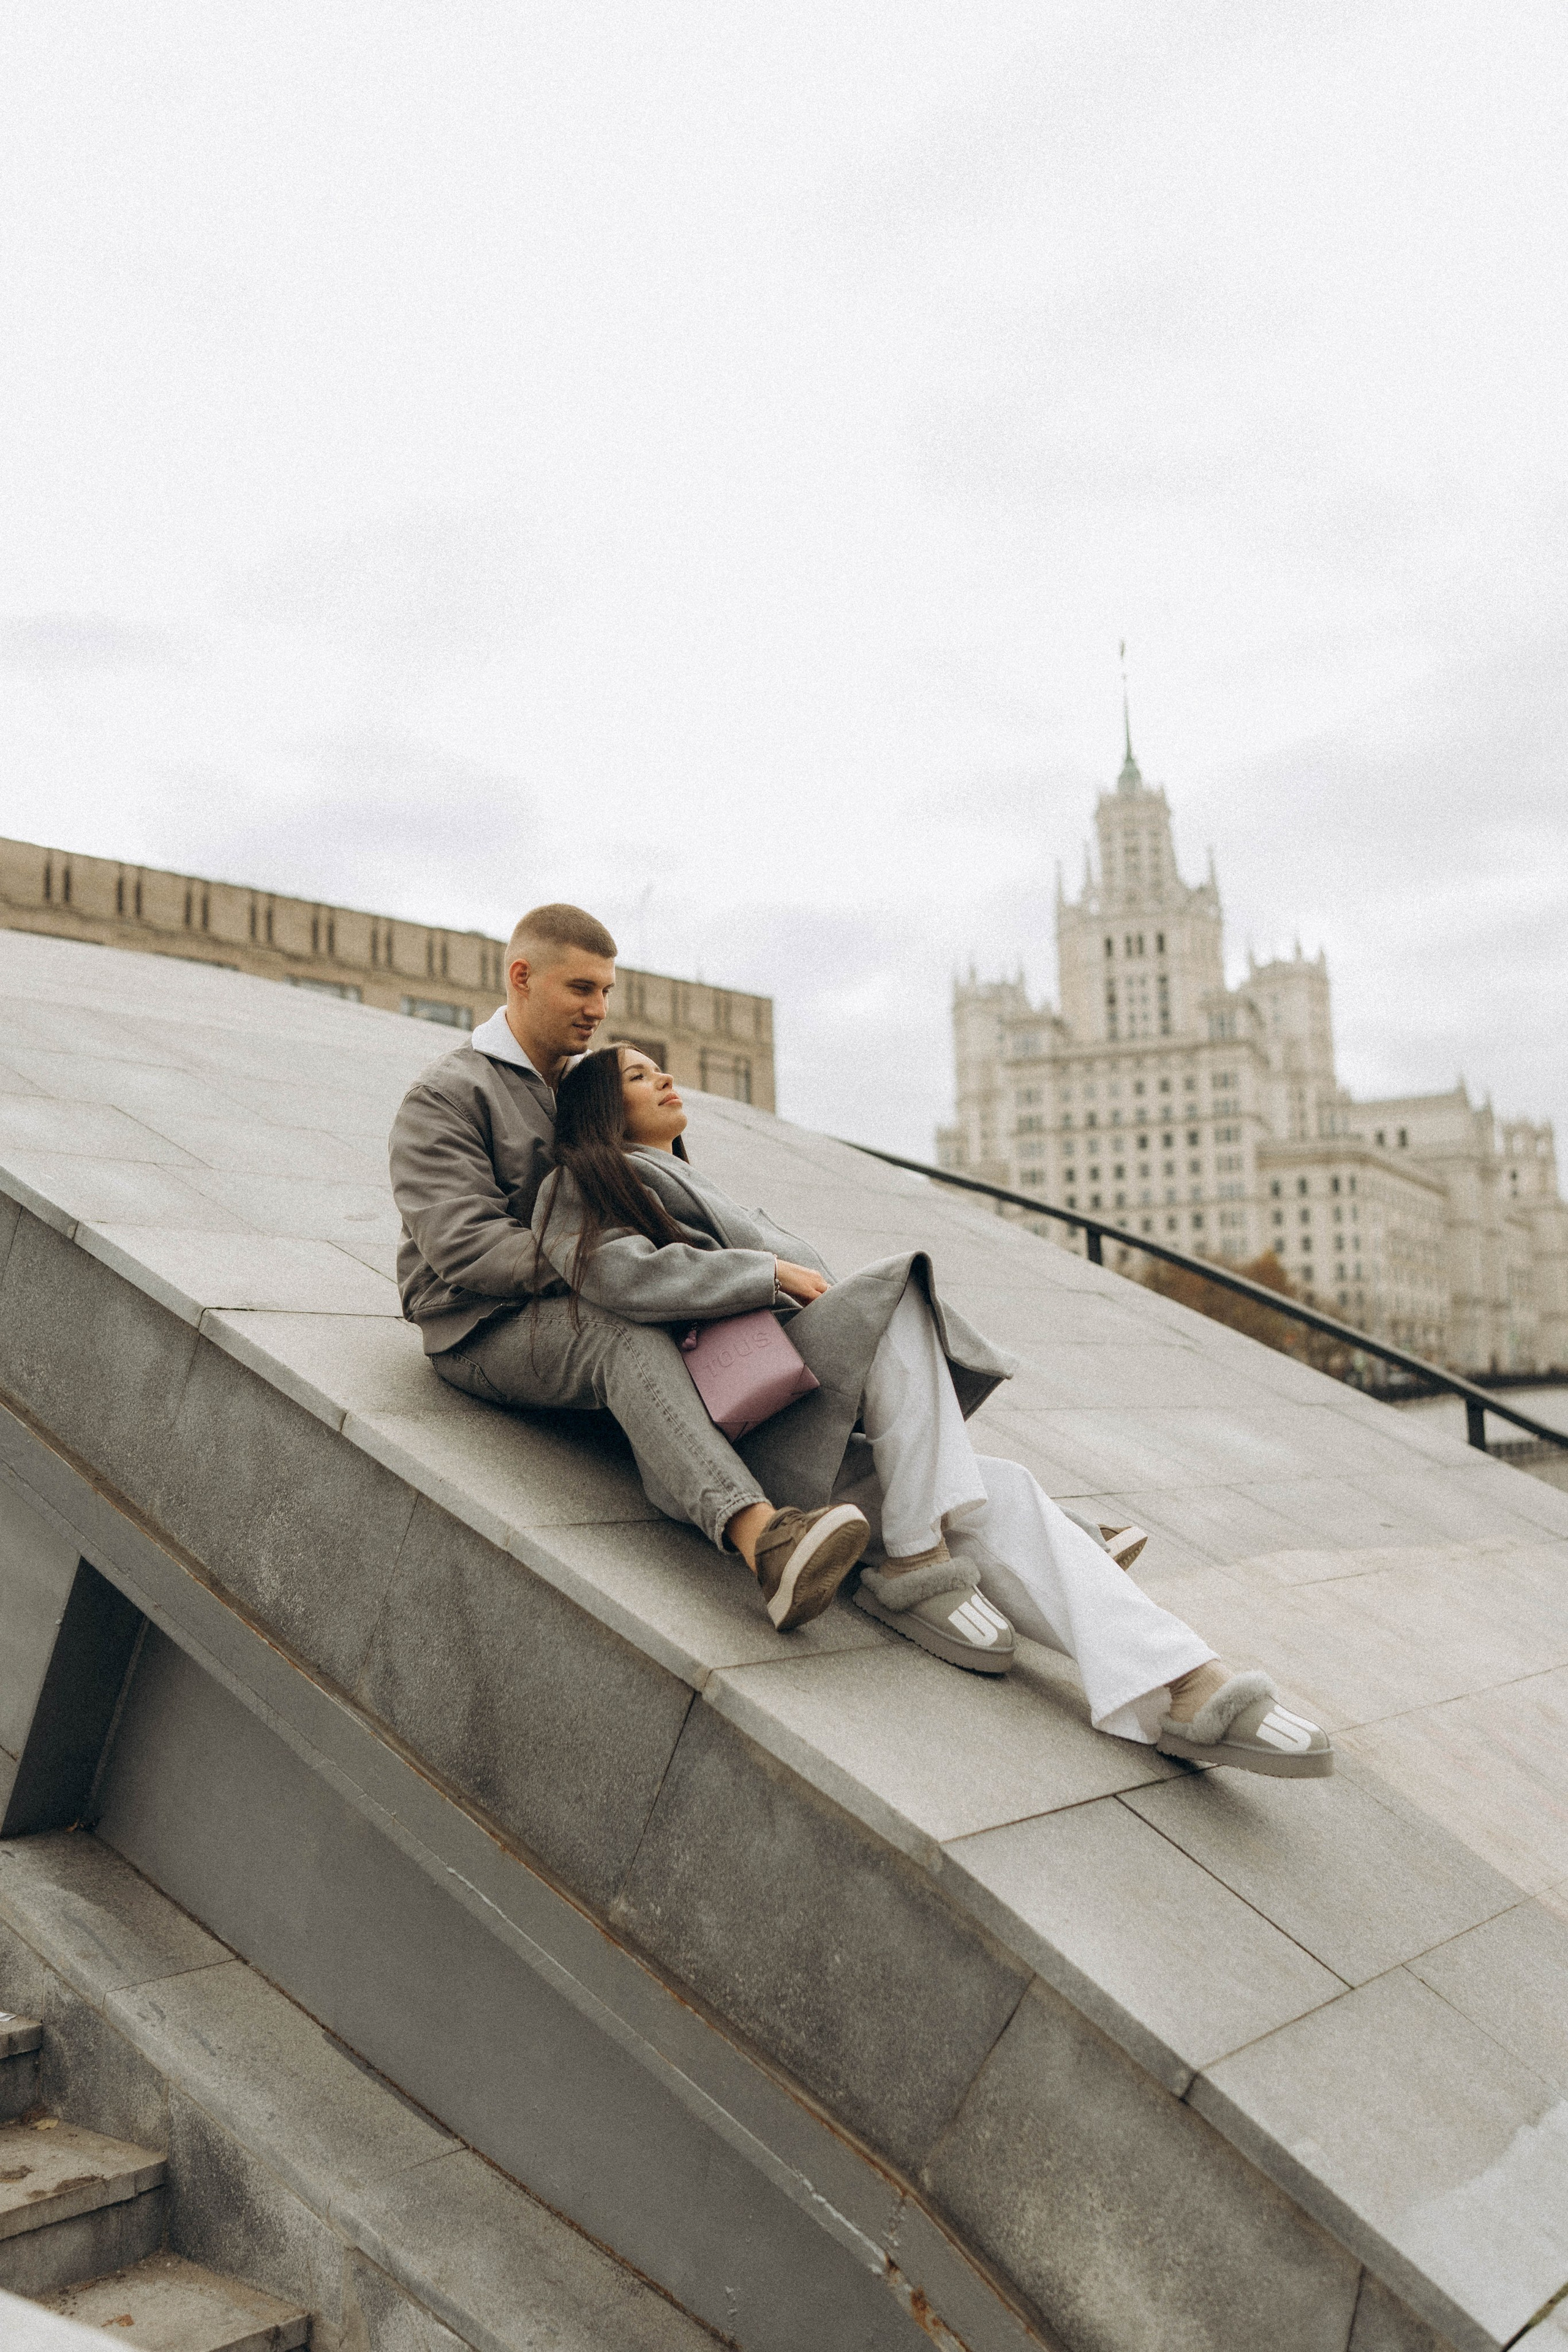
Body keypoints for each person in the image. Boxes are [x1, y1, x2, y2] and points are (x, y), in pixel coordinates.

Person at [390, 905, 1332, 1776]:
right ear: (520, 978)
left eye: (607, 993)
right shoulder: (486, 1113)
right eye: (583, 992)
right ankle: (865, 1551)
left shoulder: (621, 1135)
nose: (604, 1012)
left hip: (749, 1380)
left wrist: (723, 1270)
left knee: (1002, 1490)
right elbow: (507, 1252)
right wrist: (710, 1278)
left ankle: (1182, 1686)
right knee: (868, 1303)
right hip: (513, 1330)